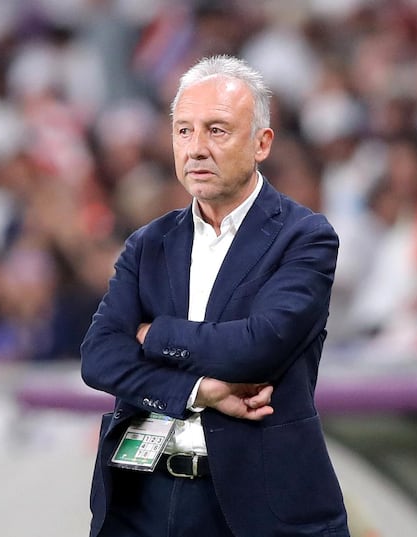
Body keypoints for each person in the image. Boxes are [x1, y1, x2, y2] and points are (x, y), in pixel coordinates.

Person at [80, 55, 349, 537]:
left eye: (217, 130)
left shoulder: (305, 237)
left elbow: (255, 348)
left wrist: (152, 334)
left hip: (255, 508)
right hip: (143, 501)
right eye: (184, 131)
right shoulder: (148, 244)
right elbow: (99, 357)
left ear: (261, 142)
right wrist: (197, 391)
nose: (196, 149)